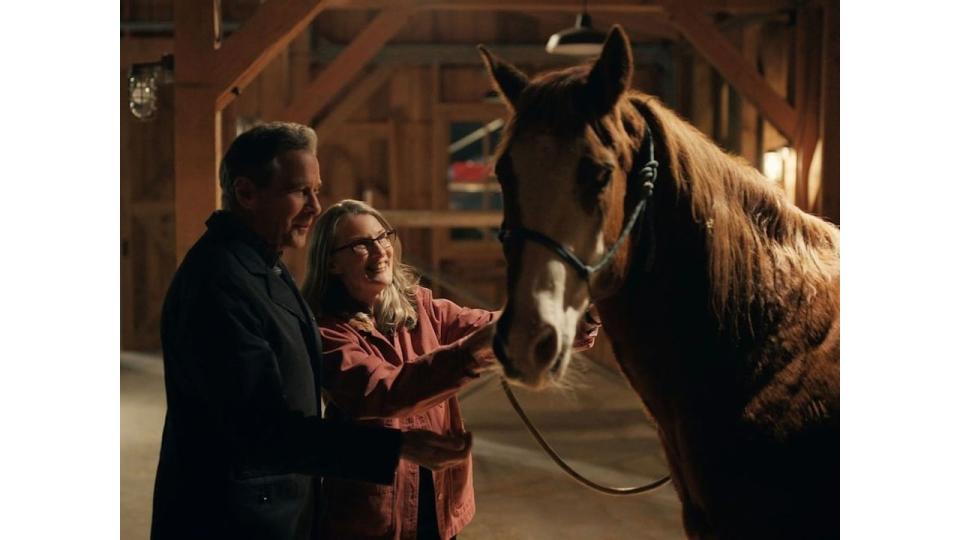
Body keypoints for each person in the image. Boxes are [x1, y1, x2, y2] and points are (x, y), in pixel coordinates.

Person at [151, 123, 473, 540]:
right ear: (247, 193)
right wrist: (396, 447)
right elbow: (261, 432)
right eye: (301, 191)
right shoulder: (219, 285)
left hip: (273, 511)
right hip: (233, 520)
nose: (315, 206)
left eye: (316, 190)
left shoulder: (262, 264)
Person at [300, 199, 601, 540]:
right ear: (331, 263)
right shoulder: (327, 331)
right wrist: (470, 351)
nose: (380, 250)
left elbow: (499, 324)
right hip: (373, 518)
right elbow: (383, 391)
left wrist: (581, 315)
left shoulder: (422, 308)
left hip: (439, 505)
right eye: (360, 245)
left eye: (383, 237)